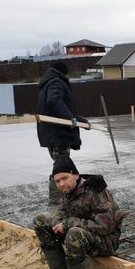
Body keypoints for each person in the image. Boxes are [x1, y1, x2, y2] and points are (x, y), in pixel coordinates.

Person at [33, 157, 123, 269]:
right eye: (57, 181)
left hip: (106, 241)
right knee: (40, 221)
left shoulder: (96, 192)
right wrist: (58, 223)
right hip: (81, 235)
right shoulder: (70, 190)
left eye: (65, 178)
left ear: (75, 175)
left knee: (74, 233)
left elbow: (104, 226)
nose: (61, 184)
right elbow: (61, 212)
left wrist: (68, 224)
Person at [36, 61, 90, 204]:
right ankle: (57, 200)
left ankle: (59, 198)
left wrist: (81, 121)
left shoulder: (49, 82)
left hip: (53, 133)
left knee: (60, 164)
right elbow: (55, 101)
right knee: (62, 165)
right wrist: (70, 117)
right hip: (57, 133)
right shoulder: (56, 83)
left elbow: (63, 108)